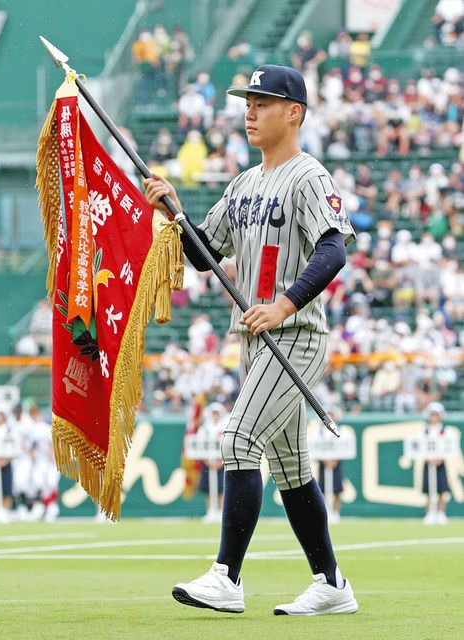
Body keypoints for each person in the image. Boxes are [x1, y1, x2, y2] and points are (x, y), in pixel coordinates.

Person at [144, 64, 358, 616]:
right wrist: (174, 209)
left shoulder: (308, 176)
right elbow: (203, 255)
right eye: (247, 101)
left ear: (294, 113)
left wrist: (285, 303)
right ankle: (331, 583)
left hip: (297, 337)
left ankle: (227, 578)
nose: (249, 110)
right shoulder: (243, 182)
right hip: (258, 341)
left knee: (239, 438)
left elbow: (333, 249)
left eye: (262, 102)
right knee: (291, 467)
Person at [422, 401, 450, 525]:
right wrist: (427, 458)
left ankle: (440, 512)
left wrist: (440, 458)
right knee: (428, 490)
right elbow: (420, 447)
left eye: (436, 414)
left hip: (441, 463)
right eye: (431, 414)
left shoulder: (445, 430)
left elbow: (450, 447)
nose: (433, 417)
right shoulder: (424, 431)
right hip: (428, 464)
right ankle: (429, 513)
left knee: (442, 489)